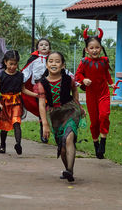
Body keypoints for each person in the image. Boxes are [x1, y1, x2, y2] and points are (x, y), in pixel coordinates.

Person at [37, 51, 85, 182]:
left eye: (57, 61)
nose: (54, 64)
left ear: (63, 65)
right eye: (51, 61)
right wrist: (45, 124)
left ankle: (70, 171)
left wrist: (79, 106)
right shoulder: (42, 83)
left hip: (70, 111)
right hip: (55, 116)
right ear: (46, 65)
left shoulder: (69, 79)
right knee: (62, 148)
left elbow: (75, 90)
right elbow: (41, 105)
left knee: (69, 137)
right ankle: (67, 170)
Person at [75, 28, 115, 159]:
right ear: (87, 49)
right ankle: (96, 142)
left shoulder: (104, 61)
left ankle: (103, 141)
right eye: (91, 48)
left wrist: (111, 83)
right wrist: (83, 80)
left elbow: (106, 74)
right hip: (91, 95)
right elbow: (77, 75)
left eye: (97, 47)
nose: (94, 50)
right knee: (94, 122)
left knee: (104, 115)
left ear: (100, 48)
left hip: (104, 93)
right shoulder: (84, 62)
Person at [0, 50, 37, 155]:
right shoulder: (1, 76)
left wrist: (36, 95)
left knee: (16, 122)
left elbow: (23, 90)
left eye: (15, 64)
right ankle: (2, 145)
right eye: (10, 64)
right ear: (5, 62)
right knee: (4, 126)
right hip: (4, 102)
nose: (13, 67)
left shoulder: (20, 75)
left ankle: (18, 144)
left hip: (17, 102)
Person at [21, 38, 50, 143]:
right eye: (41, 45)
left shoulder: (53, 58)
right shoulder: (33, 59)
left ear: (49, 48)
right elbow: (26, 72)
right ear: (37, 47)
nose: (44, 46)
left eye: (46, 45)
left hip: (50, 86)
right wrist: (19, 80)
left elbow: (62, 69)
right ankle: (43, 131)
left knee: (51, 109)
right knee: (41, 110)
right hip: (37, 87)